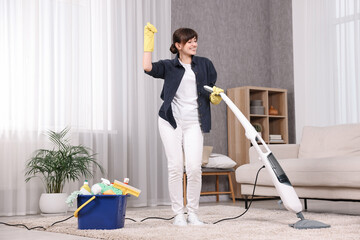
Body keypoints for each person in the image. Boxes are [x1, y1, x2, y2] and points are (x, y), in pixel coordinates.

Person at [142, 22, 223, 226]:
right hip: (170, 121)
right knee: (176, 167)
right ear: (178, 45)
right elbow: (147, 67)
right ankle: (178, 213)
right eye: (189, 41)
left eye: (195, 41)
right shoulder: (170, 66)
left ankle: (193, 213)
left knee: (195, 168)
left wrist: (214, 95)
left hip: (194, 122)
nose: (194, 44)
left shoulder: (205, 64)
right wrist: (148, 43)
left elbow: (209, 87)